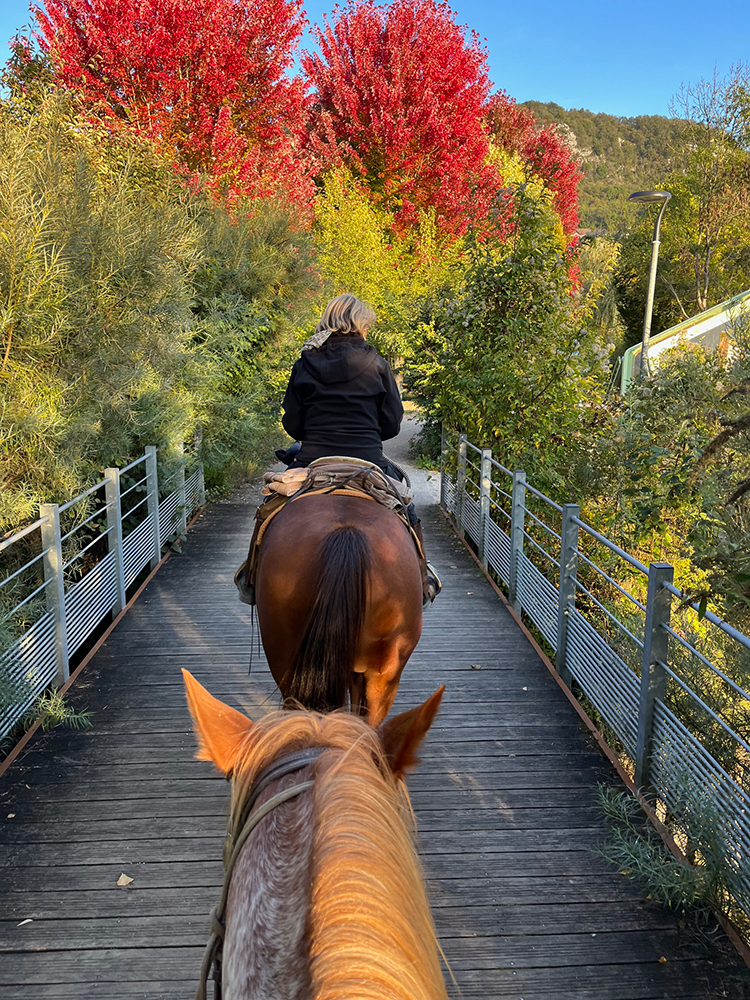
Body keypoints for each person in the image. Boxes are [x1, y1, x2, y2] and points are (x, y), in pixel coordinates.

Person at [280, 293, 440, 604]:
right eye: (366, 326)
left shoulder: (304, 363)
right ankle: (423, 577)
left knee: (270, 509)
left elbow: (293, 424)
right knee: (407, 508)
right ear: (358, 325)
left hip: (313, 460)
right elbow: (392, 424)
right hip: (367, 460)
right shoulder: (378, 364)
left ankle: (252, 573)